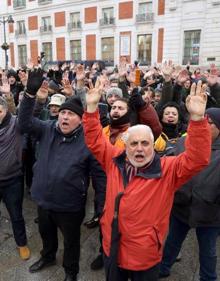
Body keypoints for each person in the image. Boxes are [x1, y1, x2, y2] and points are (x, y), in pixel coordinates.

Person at [82, 80, 211, 281]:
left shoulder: (168, 169)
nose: (139, 148)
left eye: (145, 143)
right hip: (112, 246)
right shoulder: (115, 159)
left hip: (145, 255)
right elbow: (95, 140)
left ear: (154, 145)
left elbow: (197, 158)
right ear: (125, 146)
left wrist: (197, 118)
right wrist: (91, 108)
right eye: (134, 143)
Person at [18, 68, 106, 281]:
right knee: (46, 235)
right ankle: (48, 256)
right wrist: (30, 95)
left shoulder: (89, 141)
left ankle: (70, 271)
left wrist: (101, 206)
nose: (65, 117)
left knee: (71, 242)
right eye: (63, 113)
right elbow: (24, 124)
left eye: (71, 114)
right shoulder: (48, 128)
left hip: (70, 205)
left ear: (80, 120)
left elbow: (100, 178)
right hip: (44, 199)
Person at [159, 107, 220, 281]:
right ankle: (163, 268)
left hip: (210, 214)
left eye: (210, 123)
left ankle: (208, 277)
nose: (204, 126)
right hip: (181, 207)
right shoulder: (183, 143)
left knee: (208, 251)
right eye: (202, 121)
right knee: (171, 242)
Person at [0, 96, 30, 260]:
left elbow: (29, 114)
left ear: (5, 111)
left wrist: (11, 99)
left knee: (16, 214)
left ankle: (22, 243)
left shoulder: (16, 124)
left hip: (12, 180)